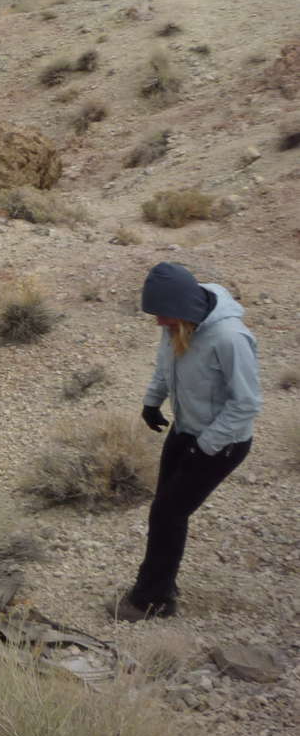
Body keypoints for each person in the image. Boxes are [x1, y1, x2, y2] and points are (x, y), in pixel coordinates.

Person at [115, 262, 261, 621]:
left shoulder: (230, 338)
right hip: (185, 431)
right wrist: (152, 402)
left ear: (181, 308)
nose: (158, 323)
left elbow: (246, 404)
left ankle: (151, 600)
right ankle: (161, 585)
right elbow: (165, 364)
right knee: (164, 511)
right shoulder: (178, 324)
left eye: (162, 315)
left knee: (168, 513)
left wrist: (206, 445)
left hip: (223, 444)